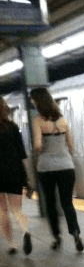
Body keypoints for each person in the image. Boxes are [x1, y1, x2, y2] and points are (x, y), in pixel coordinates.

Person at [30, 87, 84, 252]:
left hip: (46, 168)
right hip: (66, 166)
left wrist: (40, 147)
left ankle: (56, 237)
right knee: (67, 202)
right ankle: (75, 232)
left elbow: (38, 146)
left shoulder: (37, 121)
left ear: (38, 101)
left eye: (33, 99)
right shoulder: (63, 121)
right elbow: (71, 147)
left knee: (51, 203)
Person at [0, 97, 32, 256]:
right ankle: (25, 231)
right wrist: (27, 176)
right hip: (14, 171)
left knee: (2, 210)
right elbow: (22, 154)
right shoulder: (13, 127)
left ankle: (11, 244)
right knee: (16, 209)